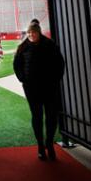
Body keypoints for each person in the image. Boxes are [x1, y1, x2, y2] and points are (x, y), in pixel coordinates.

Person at [13, 22, 65, 161]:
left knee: (51, 116)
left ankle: (49, 142)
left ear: (39, 32)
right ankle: (41, 146)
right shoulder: (23, 47)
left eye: (34, 32)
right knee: (37, 116)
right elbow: (17, 65)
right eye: (29, 32)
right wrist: (22, 78)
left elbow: (60, 63)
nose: (31, 35)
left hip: (49, 87)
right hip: (32, 88)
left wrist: (56, 79)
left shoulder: (50, 44)